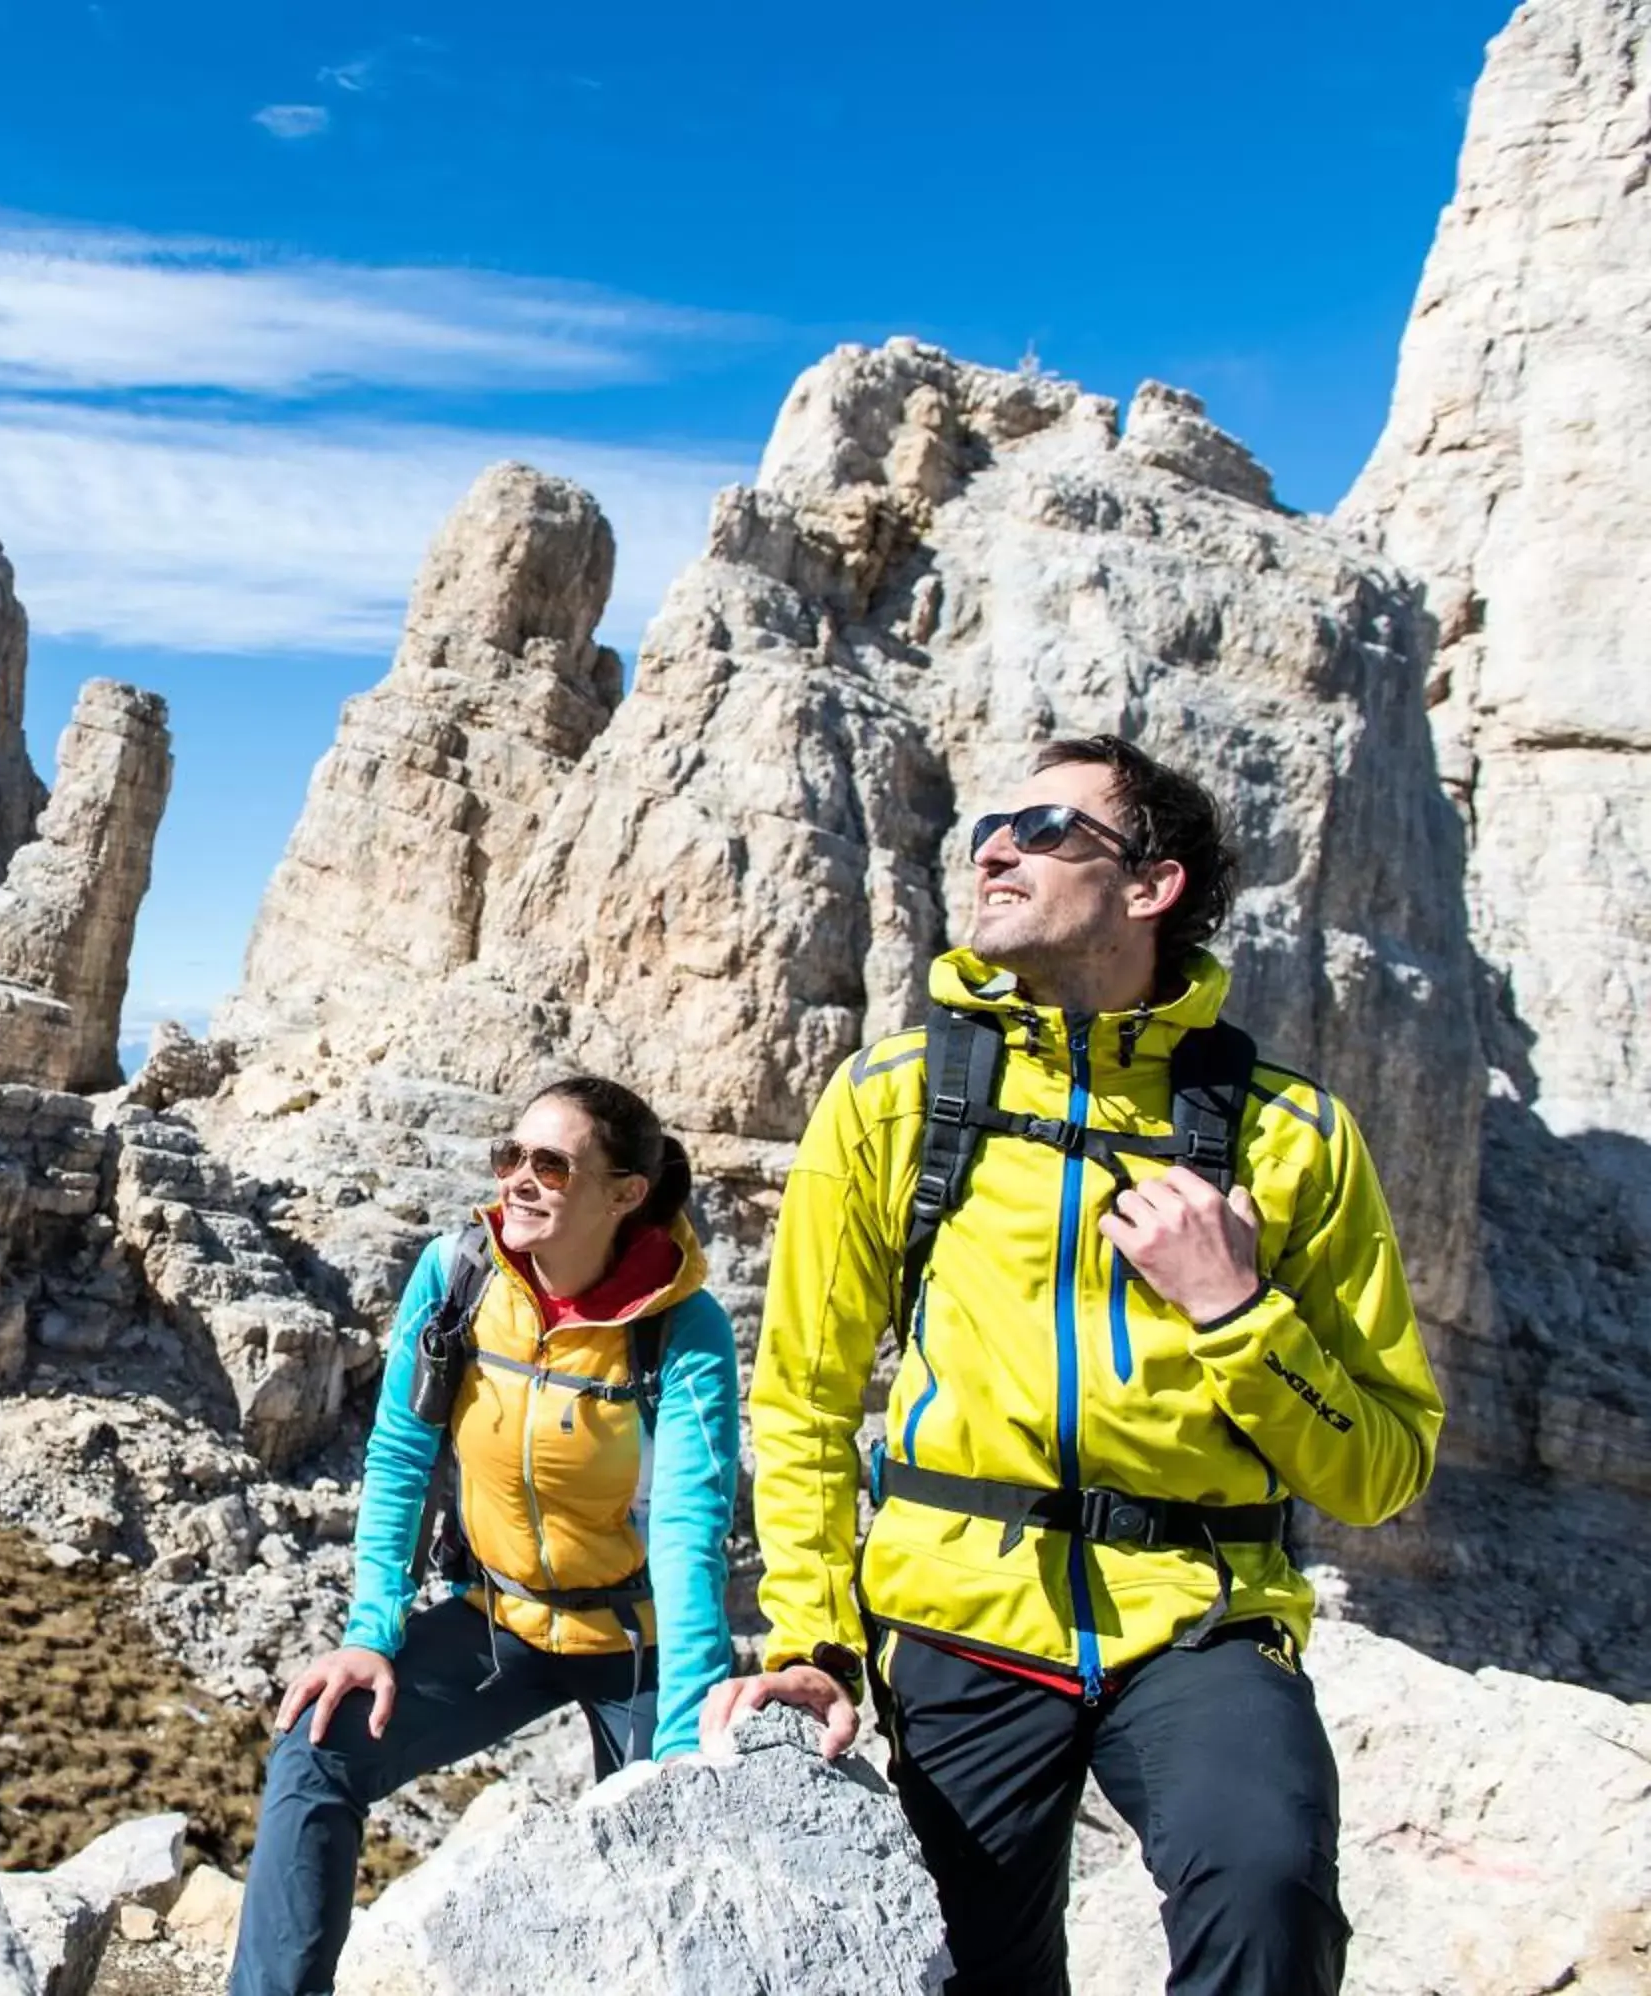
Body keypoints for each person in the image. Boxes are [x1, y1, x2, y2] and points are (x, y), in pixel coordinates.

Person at [711, 735, 1444, 1996]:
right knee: (972, 1967)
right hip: (957, 1616)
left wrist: (1234, 1306)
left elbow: (1384, 1469)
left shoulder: (1294, 1133)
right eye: (995, 822)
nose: (996, 844)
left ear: (1150, 887)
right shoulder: (895, 1098)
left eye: (1047, 829)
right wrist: (814, 1641)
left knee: (1266, 1886)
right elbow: (803, 1394)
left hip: (1201, 1613)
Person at [227, 1075, 741, 1996]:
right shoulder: (460, 1274)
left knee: (678, 1861)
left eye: (551, 1163)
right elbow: (400, 1453)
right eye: (512, 1157)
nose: (519, 1181)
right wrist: (369, 1634)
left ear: (625, 1193)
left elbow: (688, 1527)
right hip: (497, 1617)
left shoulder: (681, 1324)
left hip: (641, 1641)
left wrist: (689, 1729)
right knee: (316, 1747)